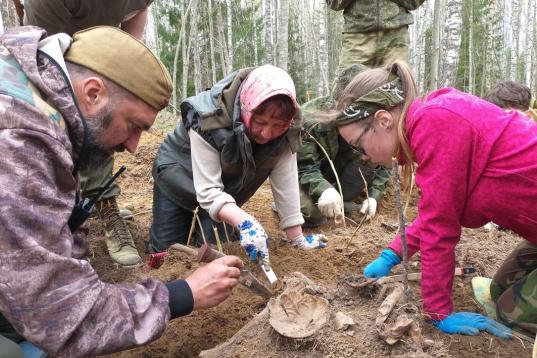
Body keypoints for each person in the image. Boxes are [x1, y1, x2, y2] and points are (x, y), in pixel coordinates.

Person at [0, 26, 243, 356]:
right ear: (93, 92)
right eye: (134, 125)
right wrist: (184, 293)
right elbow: (60, 316)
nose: (132, 146)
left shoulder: (38, 98)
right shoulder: (18, 141)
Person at [326, 60, 536, 337]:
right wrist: (392, 255)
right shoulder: (433, 118)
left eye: (358, 144)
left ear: (383, 120)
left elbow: (440, 227)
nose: (361, 155)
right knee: (498, 291)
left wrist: (438, 311)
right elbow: (438, 211)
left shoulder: (435, 125)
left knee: (511, 313)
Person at [147, 65, 328, 267]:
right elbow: (207, 190)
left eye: (277, 126)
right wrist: (244, 222)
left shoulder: (289, 129)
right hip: (179, 175)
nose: (266, 133)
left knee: (220, 249)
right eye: (260, 122)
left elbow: (286, 184)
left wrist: (297, 239)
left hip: (224, 189)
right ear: (245, 107)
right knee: (166, 253)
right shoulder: (210, 116)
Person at [21, 0, 157, 267]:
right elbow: (41, 58)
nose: (134, 148)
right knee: (85, 124)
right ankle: (68, 209)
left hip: (101, 46)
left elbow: (137, 11)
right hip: (56, 42)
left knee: (112, 119)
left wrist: (121, 71)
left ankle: (93, 205)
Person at [298, 64, 389, 226]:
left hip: (344, 177)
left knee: (370, 157)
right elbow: (304, 168)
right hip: (312, 179)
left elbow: (383, 161)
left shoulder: (372, 120)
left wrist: (374, 196)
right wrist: (323, 190)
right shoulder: (309, 119)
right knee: (310, 212)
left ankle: (342, 201)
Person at [326, 0, 425, 73]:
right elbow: (333, 3)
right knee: (345, 90)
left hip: (396, 38)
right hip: (357, 37)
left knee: (398, 90)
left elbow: (414, 2)